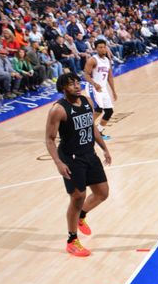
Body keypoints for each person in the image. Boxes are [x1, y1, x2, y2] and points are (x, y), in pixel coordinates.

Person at [44, 72, 111, 257]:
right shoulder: (58, 109)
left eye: (77, 82)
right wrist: (58, 162)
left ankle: (81, 216)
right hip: (71, 158)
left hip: (89, 154)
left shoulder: (87, 101)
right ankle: (72, 240)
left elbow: (92, 127)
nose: (76, 85)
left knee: (102, 193)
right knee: (78, 196)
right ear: (63, 88)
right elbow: (50, 139)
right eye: (71, 83)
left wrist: (104, 147)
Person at [84, 40, 118, 140]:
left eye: (104, 47)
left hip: (103, 88)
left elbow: (110, 77)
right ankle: (83, 128)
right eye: (100, 47)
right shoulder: (92, 60)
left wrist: (113, 91)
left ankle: (98, 132)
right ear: (96, 48)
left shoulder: (107, 60)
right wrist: (94, 84)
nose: (103, 49)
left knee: (109, 111)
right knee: (98, 109)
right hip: (93, 87)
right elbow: (85, 74)